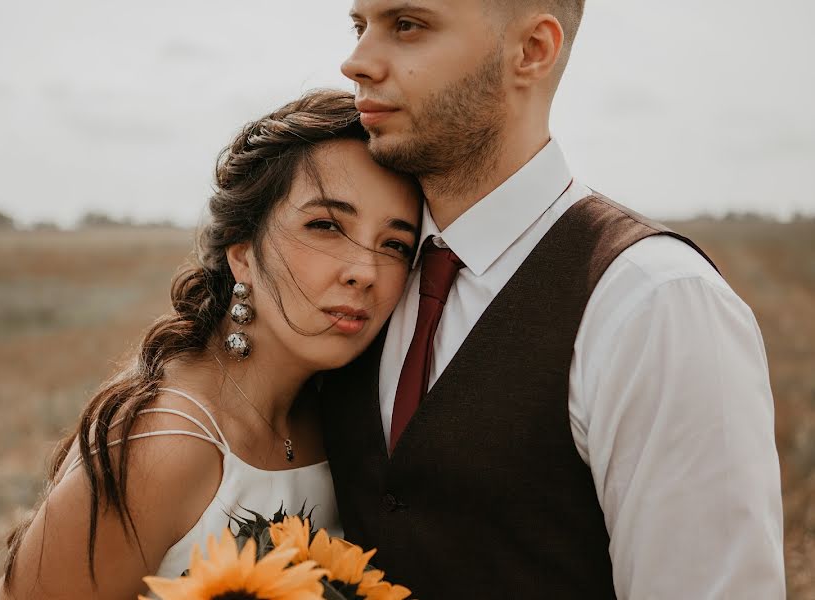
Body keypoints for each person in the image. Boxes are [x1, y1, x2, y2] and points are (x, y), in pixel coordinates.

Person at [321, 1, 786, 598]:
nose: (355, 62)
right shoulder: (359, 275)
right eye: (359, 26)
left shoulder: (655, 304)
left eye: (407, 25)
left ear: (532, 50)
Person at [0, 89, 422, 599]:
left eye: (395, 244)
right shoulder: (161, 447)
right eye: (325, 225)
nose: (364, 272)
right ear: (242, 254)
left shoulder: (346, 415)